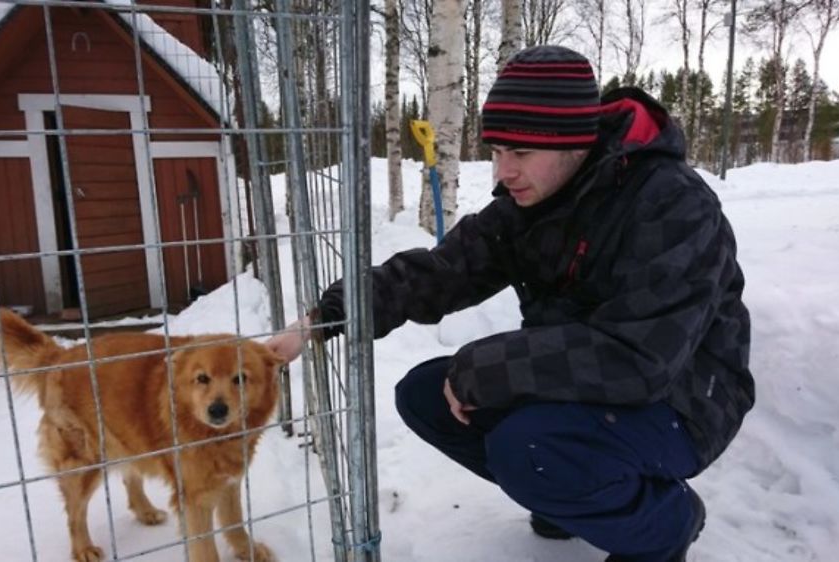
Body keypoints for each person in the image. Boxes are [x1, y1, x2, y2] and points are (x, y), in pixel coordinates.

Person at [266, 45, 754, 562]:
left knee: (526, 447)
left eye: (520, 154)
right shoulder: (533, 201)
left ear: (576, 143)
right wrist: (324, 317)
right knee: (426, 396)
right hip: (589, 385)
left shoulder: (672, 205)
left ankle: (664, 525)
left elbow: (640, 358)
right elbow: (441, 271)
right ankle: (571, 493)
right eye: (497, 151)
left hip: (684, 399)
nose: (503, 172)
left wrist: (489, 367)